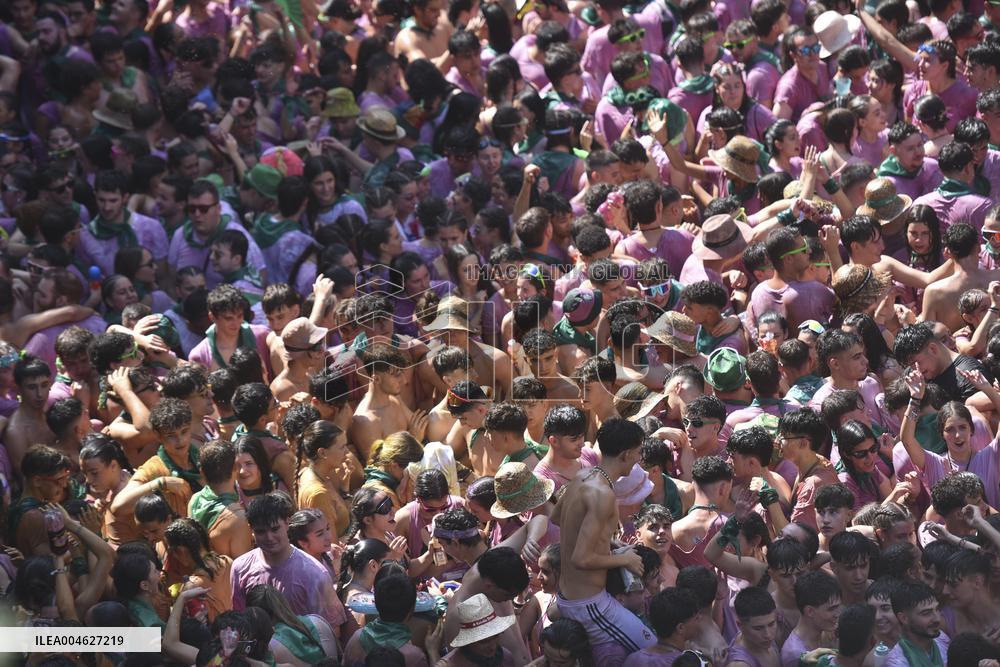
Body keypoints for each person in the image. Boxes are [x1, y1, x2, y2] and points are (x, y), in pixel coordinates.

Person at [553, 417, 657, 661]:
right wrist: (624, 559)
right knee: (654, 648)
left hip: (571, 596)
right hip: (588, 604)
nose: (639, 458)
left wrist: (605, 542)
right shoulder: (603, 494)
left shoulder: (583, 476)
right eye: (638, 453)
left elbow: (558, 517)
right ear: (625, 455)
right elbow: (581, 558)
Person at [230, 492, 347, 634]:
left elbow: (331, 631)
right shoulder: (240, 568)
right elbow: (241, 621)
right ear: (251, 530)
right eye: (261, 531)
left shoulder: (314, 574)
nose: (269, 537)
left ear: (287, 523)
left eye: (275, 529)